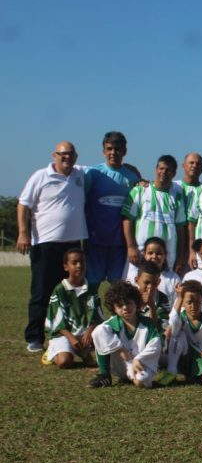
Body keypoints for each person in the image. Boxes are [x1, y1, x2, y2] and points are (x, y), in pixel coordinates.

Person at [18, 141, 87, 353]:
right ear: (54, 155)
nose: (66, 157)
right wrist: (23, 233)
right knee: (42, 292)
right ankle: (35, 338)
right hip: (46, 245)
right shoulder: (40, 176)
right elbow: (23, 204)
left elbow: (109, 168)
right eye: (62, 154)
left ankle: (70, 335)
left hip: (73, 245)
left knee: (71, 292)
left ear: (76, 156)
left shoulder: (80, 175)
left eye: (70, 154)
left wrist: (138, 178)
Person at [83, 131, 142, 289]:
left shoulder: (132, 178)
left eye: (117, 149)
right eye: (109, 149)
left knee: (118, 286)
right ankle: (92, 314)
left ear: (124, 151)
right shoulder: (93, 174)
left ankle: (116, 314)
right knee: (92, 285)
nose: (113, 153)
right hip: (95, 240)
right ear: (103, 151)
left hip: (120, 243)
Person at [87, 281, 162, 388]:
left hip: (140, 363)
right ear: (114, 309)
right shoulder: (112, 324)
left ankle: (133, 376)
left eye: (128, 303)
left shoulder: (147, 324)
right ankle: (105, 375)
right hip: (121, 365)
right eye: (120, 305)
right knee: (100, 331)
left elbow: (155, 344)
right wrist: (120, 349)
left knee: (141, 381)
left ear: (136, 303)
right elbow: (98, 332)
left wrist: (138, 359)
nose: (125, 307)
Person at [121, 154, 187, 275]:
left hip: (167, 255)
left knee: (163, 289)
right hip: (140, 252)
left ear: (174, 173)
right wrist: (131, 247)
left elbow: (180, 229)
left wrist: (181, 257)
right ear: (156, 169)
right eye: (161, 168)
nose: (164, 172)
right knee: (135, 288)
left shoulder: (177, 196)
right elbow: (127, 219)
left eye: (168, 170)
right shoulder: (140, 190)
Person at [43, 248, 103, 368]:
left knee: (109, 345)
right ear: (66, 267)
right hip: (64, 335)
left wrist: (88, 333)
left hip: (84, 334)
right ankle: (53, 351)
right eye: (74, 262)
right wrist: (71, 338)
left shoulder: (91, 289)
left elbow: (98, 316)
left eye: (82, 262)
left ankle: (83, 352)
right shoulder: (60, 289)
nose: (79, 265)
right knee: (64, 362)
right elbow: (56, 320)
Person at [122, 237, 181, 308]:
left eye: (159, 253)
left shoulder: (173, 278)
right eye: (150, 253)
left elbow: (177, 302)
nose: (154, 256)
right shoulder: (134, 275)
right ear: (144, 254)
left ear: (165, 256)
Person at [134, 261, 172, 333]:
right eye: (146, 282)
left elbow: (160, 328)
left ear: (159, 282)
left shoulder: (162, 298)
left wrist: (152, 306)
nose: (150, 287)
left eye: (154, 283)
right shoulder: (129, 296)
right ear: (136, 280)